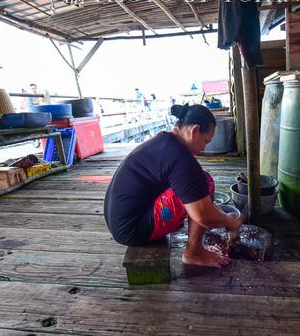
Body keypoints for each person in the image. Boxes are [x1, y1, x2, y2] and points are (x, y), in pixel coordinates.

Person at [104, 104, 242, 268]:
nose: (204, 148)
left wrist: (214, 210)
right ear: (194, 130)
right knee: (203, 183)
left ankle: (192, 242)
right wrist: (229, 221)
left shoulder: (164, 141)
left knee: (198, 184)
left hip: (120, 222)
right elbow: (203, 216)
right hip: (134, 230)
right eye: (206, 141)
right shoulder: (181, 158)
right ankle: (194, 253)